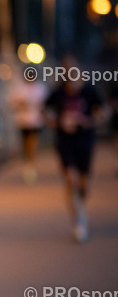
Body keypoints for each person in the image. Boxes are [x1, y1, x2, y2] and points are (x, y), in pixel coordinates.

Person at [45, 56, 104, 243]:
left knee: (83, 182)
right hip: (65, 141)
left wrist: (88, 121)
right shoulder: (58, 92)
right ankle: (78, 221)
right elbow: (45, 109)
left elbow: (102, 111)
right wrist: (53, 121)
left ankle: (82, 207)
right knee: (70, 178)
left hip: (85, 140)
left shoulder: (89, 91)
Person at [8, 70, 49, 184]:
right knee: (25, 144)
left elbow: (45, 104)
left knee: (33, 142)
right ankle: (27, 163)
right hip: (23, 121)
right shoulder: (20, 87)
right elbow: (13, 104)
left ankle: (31, 165)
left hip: (36, 121)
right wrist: (21, 104)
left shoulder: (40, 88)